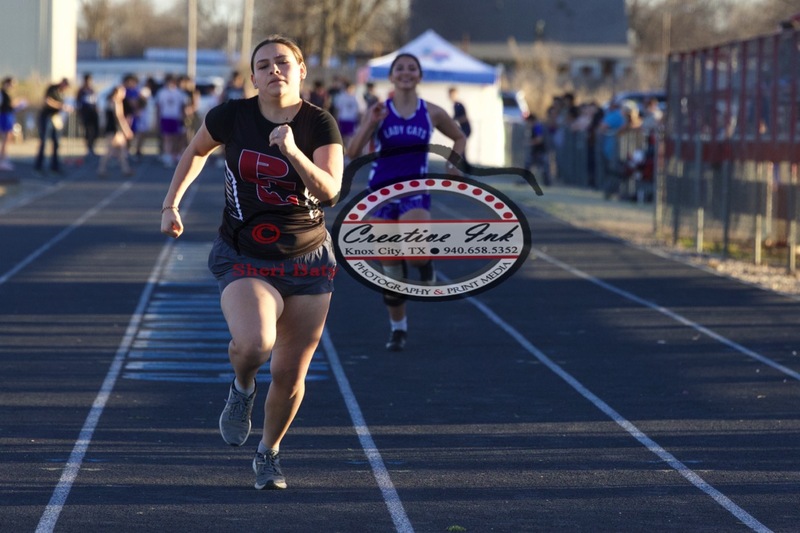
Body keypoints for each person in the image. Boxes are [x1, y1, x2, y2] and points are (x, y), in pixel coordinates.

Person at [160, 35, 343, 491]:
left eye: (283, 62)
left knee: (289, 373)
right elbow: (196, 150)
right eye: (263, 65)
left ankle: (269, 454)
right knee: (256, 343)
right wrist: (171, 204)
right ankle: (242, 388)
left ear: (301, 70)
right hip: (244, 254)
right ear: (253, 76)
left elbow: (330, 190)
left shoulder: (320, 124)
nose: (274, 70)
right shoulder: (232, 115)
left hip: (307, 259)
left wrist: (293, 151)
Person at [346, 53, 466, 352]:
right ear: (392, 76)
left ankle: (424, 263)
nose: (406, 73)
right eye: (400, 68)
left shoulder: (432, 112)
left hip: (415, 190)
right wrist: (370, 123)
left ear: (420, 75)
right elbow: (353, 151)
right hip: (381, 193)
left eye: (412, 68)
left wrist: (455, 162)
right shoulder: (379, 110)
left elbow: (459, 137)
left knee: (413, 253)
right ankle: (398, 328)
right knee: (392, 272)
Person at [34, 78, 72, 175]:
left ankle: (55, 166)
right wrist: (61, 106)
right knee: (44, 141)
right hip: (47, 117)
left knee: (56, 142)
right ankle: (39, 165)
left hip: (55, 118)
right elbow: (48, 101)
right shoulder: (52, 89)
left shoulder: (61, 93)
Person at [97, 85, 134, 177]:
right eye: (122, 92)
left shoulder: (109, 101)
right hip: (113, 129)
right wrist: (127, 130)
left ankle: (125, 169)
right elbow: (119, 117)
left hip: (113, 129)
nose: (124, 94)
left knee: (121, 149)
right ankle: (101, 169)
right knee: (109, 150)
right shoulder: (116, 102)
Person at [155, 74, 189, 167]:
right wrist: (157, 120)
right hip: (165, 117)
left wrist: (184, 118)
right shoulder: (161, 92)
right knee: (167, 137)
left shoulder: (179, 93)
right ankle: (167, 156)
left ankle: (174, 155)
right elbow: (158, 107)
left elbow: (183, 107)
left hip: (176, 118)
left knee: (176, 138)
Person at [0, 77, 23, 171]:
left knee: (7, 138)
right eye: (12, 84)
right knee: (5, 138)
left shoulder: (6, 94)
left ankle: (3, 159)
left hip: (8, 116)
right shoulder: (2, 93)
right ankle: (2, 160)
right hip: (3, 117)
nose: (13, 87)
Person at [76, 74, 100, 157]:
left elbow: (95, 101)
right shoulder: (81, 91)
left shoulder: (92, 90)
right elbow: (78, 103)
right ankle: (88, 148)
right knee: (87, 130)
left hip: (93, 113)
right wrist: (80, 114)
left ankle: (92, 146)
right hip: (85, 113)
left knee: (95, 130)